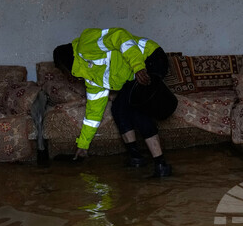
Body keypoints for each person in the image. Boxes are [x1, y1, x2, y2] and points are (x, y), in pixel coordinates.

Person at [53, 27, 173, 177]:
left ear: (65, 62)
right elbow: (93, 115)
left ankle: (161, 165)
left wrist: (138, 66)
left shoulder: (86, 44)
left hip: (150, 57)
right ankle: (136, 157)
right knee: (118, 109)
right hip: (134, 74)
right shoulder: (91, 79)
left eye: (62, 71)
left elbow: (119, 35)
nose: (65, 76)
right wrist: (83, 146)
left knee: (136, 107)